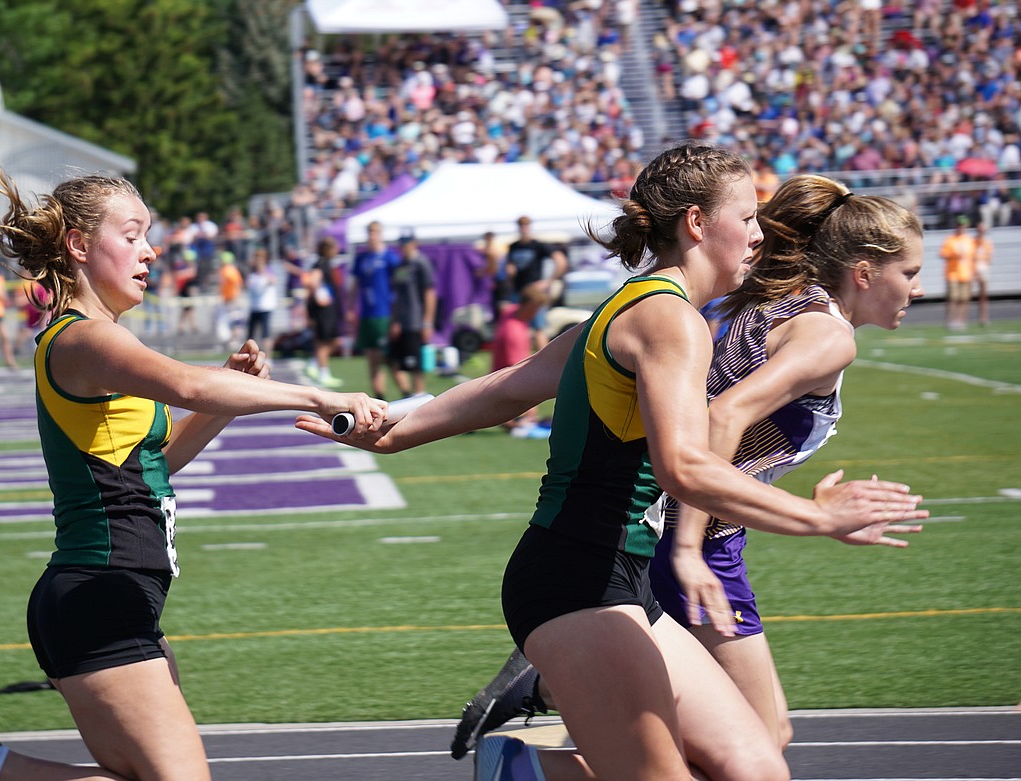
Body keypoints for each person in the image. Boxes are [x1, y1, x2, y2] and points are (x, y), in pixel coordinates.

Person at [296, 143, 927, 781]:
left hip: (625, 580)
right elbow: (686, 467)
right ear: (697, 224)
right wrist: (815, 516)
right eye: (748, 217)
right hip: (578, 578)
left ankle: (525, 758)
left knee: (757, 765)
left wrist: (396, 431)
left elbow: (509, 388)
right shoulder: (669, 320)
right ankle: (522, 770)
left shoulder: (638, 307)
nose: (761, 236)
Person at [0, 169, 386, 781]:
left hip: (122, 595)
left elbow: (156, 464)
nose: (152, 250)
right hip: (97, 595)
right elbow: (188, 383)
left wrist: (235, 392)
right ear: (79, 244)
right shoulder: (82, 339)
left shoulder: (101, 342)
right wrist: (319, 398)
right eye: (133, 234)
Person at [452, 173, 929, 759]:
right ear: (863, 271)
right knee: (757, 745)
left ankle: (553, 694)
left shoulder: (759, 299)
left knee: (710, 745)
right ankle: (535, 736)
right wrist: (711, 543)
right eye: (909, 273)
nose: (919, 289)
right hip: (696, 535)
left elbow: (719, 417)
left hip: (675, 525)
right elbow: (723, 420)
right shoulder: (828, 335)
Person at [347, 221, 399, 398]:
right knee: (372, 359)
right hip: (367, 315)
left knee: (390, 359)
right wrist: (351, 307)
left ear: (381, 234)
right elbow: (355, 286)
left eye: (375, 232)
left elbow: (398, 286)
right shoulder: (362, 259)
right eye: (369, 232)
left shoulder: (389, 258)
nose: (372, 236)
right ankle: (380, 399)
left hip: (384, 314)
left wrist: (397, 314)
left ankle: (408, 394)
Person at [491, 283, 550, 431]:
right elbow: (518, 371)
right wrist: (529, 410)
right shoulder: (514, 333)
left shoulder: (510, 313)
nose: (537, 313)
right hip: (506, 392)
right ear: (529, 305)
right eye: (536, 308)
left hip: (498, 383)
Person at [505, 216, 568, 350]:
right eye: (521, 226)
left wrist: (549, 282)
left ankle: (545, 358)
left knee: (539, 327)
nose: (524, 229)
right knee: (518, 327)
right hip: (519, 292)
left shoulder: (537, 245)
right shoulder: (513, 246)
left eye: (526, 225)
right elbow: (510, 267)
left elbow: (560, 260)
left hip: (533, 293)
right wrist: (510, 274)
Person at [388, 232, 437, 397]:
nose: (404, 247)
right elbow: (397, 296)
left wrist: (427, 321)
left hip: (415, 321)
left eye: (407, 243)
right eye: (402, 244)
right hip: (401, 321)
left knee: (415, 365)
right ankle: (408, 395)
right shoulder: (401, 266)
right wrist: (395, 320)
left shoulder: (421, 263)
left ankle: (419, 396)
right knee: (394, 361)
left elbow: (429, 293)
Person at [303, 236, 345, 388]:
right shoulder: (320, 264)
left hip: (329, 310)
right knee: (323, 342)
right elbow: (312, 282)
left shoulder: (326, 264)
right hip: (323, 311)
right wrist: (320, 297)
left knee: (334, 341)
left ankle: (314, 363)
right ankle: (323, 372)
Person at [939, 215, 976, 330]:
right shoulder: (950, 239)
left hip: (966, 273)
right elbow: (943, 254)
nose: (961, 227)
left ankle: (961, 321)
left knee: (964, 299)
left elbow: (973, 258)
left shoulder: (969, 240)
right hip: (953, 273)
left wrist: (974, 272)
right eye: (959, 225)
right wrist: (954, 255)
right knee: (953, 298)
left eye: (963, 225)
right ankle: (950, 320)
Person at [245, 246, 279, 344]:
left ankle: (268, 357)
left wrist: (263, 270)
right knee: (250, 336)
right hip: (254, 307)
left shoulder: (268, 271)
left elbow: (273, 281)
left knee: (266, 334)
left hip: (265, 307)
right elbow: (248, 285)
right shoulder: (252, 273)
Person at [973, 221, 993, 326]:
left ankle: (983, 317)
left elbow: (989, 258)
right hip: (974, 268)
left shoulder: (987, 243)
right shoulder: (973, 242)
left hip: (983, 267)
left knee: (983, 295)